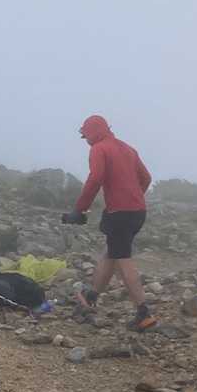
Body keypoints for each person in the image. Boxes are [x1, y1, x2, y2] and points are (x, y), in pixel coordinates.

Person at [61, 115, 157, 331]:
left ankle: (144, 313)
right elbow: (146, 178)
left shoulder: (99, 149)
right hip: (138, 211)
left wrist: (80, 209)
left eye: (86, 136)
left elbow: (95, 178)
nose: (86, 140)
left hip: (120, 213)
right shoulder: (128, 149)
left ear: (93, 132)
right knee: (112, 253)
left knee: (123, 258)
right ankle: (92, 296)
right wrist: (133, 197)